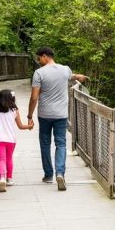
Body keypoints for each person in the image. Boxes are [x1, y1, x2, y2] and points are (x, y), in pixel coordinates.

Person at [27, 47, 88, 191]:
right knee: (61, 144)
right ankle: (60, 173)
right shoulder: (65, 69)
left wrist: (29, 115)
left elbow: (34, 97)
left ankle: (48, 174)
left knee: (45, 144)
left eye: (39, 58)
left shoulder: (39, 73)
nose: (38, 61)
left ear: (45, 56)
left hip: (44, 114)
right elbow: (70, 76)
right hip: (61, 114)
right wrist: (78, 76)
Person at [0, 89, 33, 193]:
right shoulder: (14, 110)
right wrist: (29, 126)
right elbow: (20, 126)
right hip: (11, 139)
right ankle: (9, 178)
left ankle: (2, 178)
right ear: (12, 99)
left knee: (1, 159)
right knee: (9, 158)